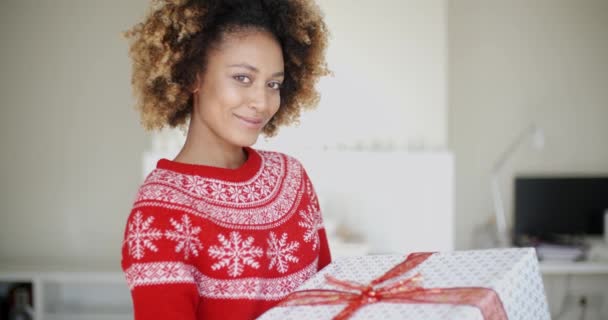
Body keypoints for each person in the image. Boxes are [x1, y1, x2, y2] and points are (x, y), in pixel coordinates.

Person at [120, 0, 332, 319]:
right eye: (242, 78)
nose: (262, 102)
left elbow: (331, 299)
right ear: (194, 75)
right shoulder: (159, 211)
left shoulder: (292, 178)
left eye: (273, 84)